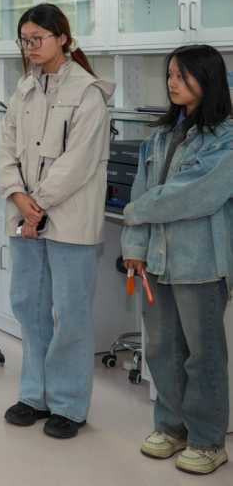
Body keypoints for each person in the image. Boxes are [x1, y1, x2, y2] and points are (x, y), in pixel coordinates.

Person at [0, 3, 115, 438]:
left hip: (69, 219)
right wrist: (18, 196)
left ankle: (68, 404)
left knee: (70, 313)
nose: (29, 46)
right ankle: (34, 396)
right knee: (29, 307)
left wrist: (36, 204)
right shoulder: (24, 89)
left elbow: (77, 162)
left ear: (62, 38)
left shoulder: (88, 92)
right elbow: (5, 151)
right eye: (24, 40)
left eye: (37, 38)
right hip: (26, 216)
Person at [121, 44, 233, 474]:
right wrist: (134, 249)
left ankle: (207, 441)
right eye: (170, 74)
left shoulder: (225, 137)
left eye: (183, 75)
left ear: (209, 79)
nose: (173, 82)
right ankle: (171, 428)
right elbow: (140, 189)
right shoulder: (160, 135)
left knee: (203, 356)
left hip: (200, 262)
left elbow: (194, 195)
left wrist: (136, 213)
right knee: (163, 350)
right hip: (156, 259)